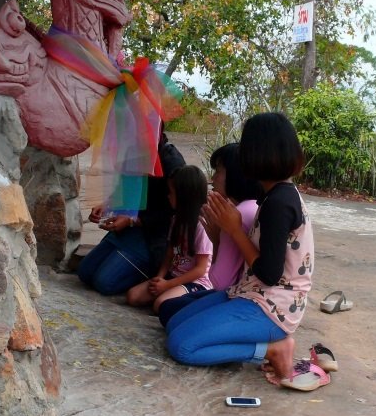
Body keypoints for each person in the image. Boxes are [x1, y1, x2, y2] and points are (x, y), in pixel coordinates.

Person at [164, 112, 320, 391]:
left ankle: (272, 349)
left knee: (182, 346)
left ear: (256, 153)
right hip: (249, 293)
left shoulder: (279, 203)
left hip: (272, 307)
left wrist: (234, 229)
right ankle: (260, 342)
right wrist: (220, 231)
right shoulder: (275, 194)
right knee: (175, 322)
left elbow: (270, 274)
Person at [156, 143, 263, 325]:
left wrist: (216, 238)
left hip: (239, 300)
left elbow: (219, 282)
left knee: (168, 312)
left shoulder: (236, 214)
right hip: (247, 296)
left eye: (218, 171)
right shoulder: (253, 205)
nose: (213, 179)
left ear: (235, 174)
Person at [77, 131, 185, 296]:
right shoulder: (134, 152)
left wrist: (133, 220)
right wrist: (106, 205)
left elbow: (173, 212)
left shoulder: (172, 163)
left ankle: (147, 275)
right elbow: (125, 187)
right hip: (129, 229)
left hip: (152, 235)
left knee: (104, 283)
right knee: (85, 272)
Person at [126, 165, 213, 309]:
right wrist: (160, 278)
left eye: (171, 193)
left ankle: (199, 302)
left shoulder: (201, 226)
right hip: (174, 276)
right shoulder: (176, 220)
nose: (168, 196)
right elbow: (170, 253)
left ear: (184, 196)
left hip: (196, 282)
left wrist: (168, 285)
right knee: (133, 296)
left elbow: (200, 270)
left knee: (161, 304)